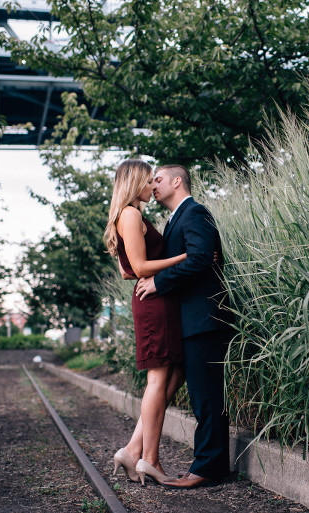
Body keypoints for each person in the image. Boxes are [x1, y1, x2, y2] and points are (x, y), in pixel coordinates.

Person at [135, 164, 232, 489]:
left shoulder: (195, 212)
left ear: (178, 181)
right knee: (202, 397)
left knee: (207, 398)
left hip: (205, 319)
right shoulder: (177, 217)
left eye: (158, 179)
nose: (153, 184)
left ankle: (207, 468)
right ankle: (208, 465)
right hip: (192, 321)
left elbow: (202, 257)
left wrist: (159, 282)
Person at [103, 159, 186, 486]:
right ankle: (149, 459)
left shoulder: (130, 215)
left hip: (157, 299)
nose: (154, 186)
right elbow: (139, 267)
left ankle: (132, 449)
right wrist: (184, 258)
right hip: (153, 302)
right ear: (135, 181)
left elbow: (128, 267)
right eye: (150, 181)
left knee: (176, 372)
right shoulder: (131, 213)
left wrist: (139, 267)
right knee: (157, 379)